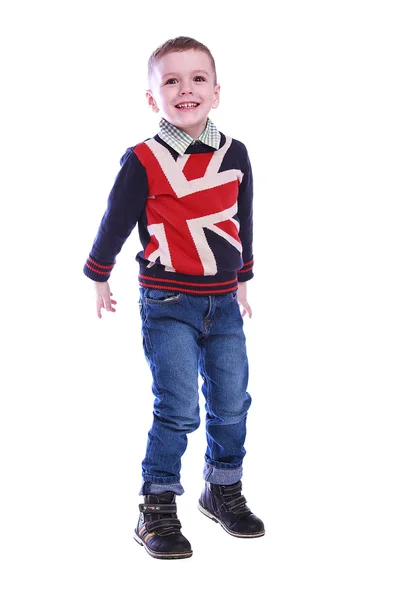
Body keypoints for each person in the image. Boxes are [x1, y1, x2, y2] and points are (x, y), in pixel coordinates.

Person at [83, 36, 264, 560]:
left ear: (216, 91)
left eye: (197, 79)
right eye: (171, 81)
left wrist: (244, 277)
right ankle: (156, 504)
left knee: (232, 403)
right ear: (152, 98)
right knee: (179, 407)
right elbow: (115, 221)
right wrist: (99, 274)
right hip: (167, 303)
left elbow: (241, 220)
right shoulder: (143, 159)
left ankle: (222, 489)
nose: (186, 89)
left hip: (224, 302)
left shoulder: (237, 153)